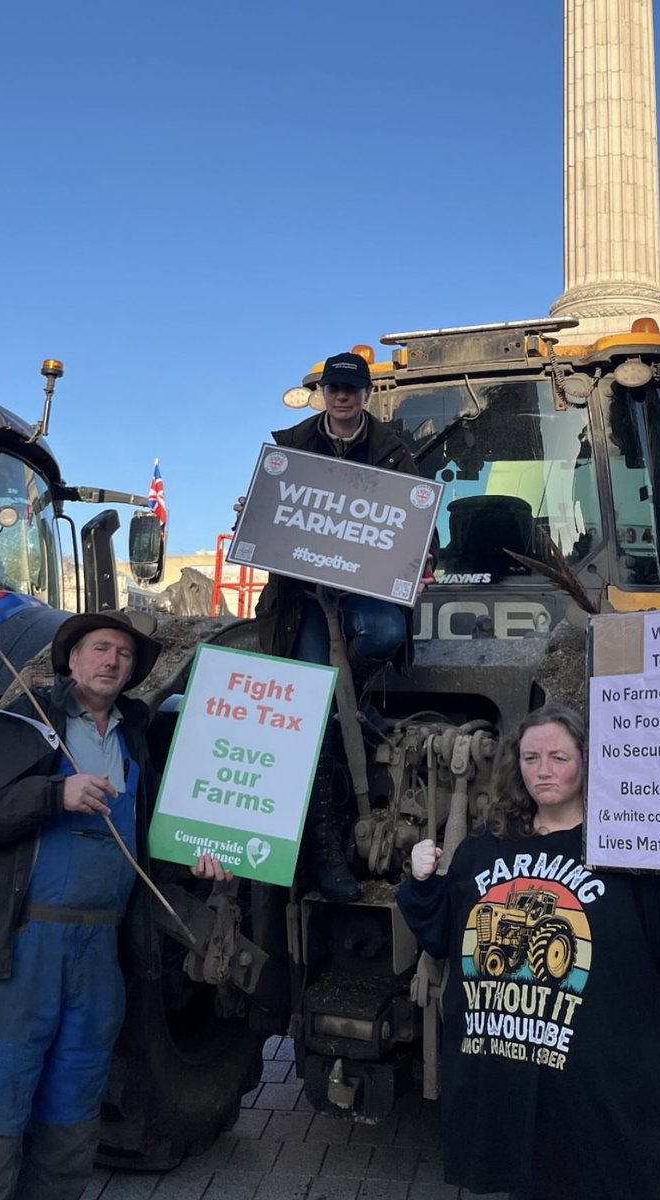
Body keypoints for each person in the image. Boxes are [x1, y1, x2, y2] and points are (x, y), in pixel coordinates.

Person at [0, 610, 228, 1200]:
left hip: (100, 958)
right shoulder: (24, 722)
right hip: (16, 952)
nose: (111, 660)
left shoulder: (134, 741)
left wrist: (201, 857)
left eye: (123, 654)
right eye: (100, 647)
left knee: (74, 1111)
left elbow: (148, 843)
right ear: (72, 659)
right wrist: (54, 793)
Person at [397, 704, 660, 1200]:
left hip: (600, 1091)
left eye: (559, 757)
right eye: (532, 757)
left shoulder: (631, 849)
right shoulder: (484, 849)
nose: (543, 771)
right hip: (515, 1077)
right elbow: (445, 937)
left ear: (587, 762)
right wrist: (423, 883)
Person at [237, 351, 434, 902]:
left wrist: (424, 559)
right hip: (303, 601)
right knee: (306, 711)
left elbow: (417, 524)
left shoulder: (392, 452)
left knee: (386, 636)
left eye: (351, 388)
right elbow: (272, 513)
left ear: (366, 394)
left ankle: (358, 702)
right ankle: (324, 851)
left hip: (363, 592)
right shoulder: (292, 447)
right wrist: (252, 513)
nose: (342, 397)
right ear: (323, 394)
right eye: (333, 388)